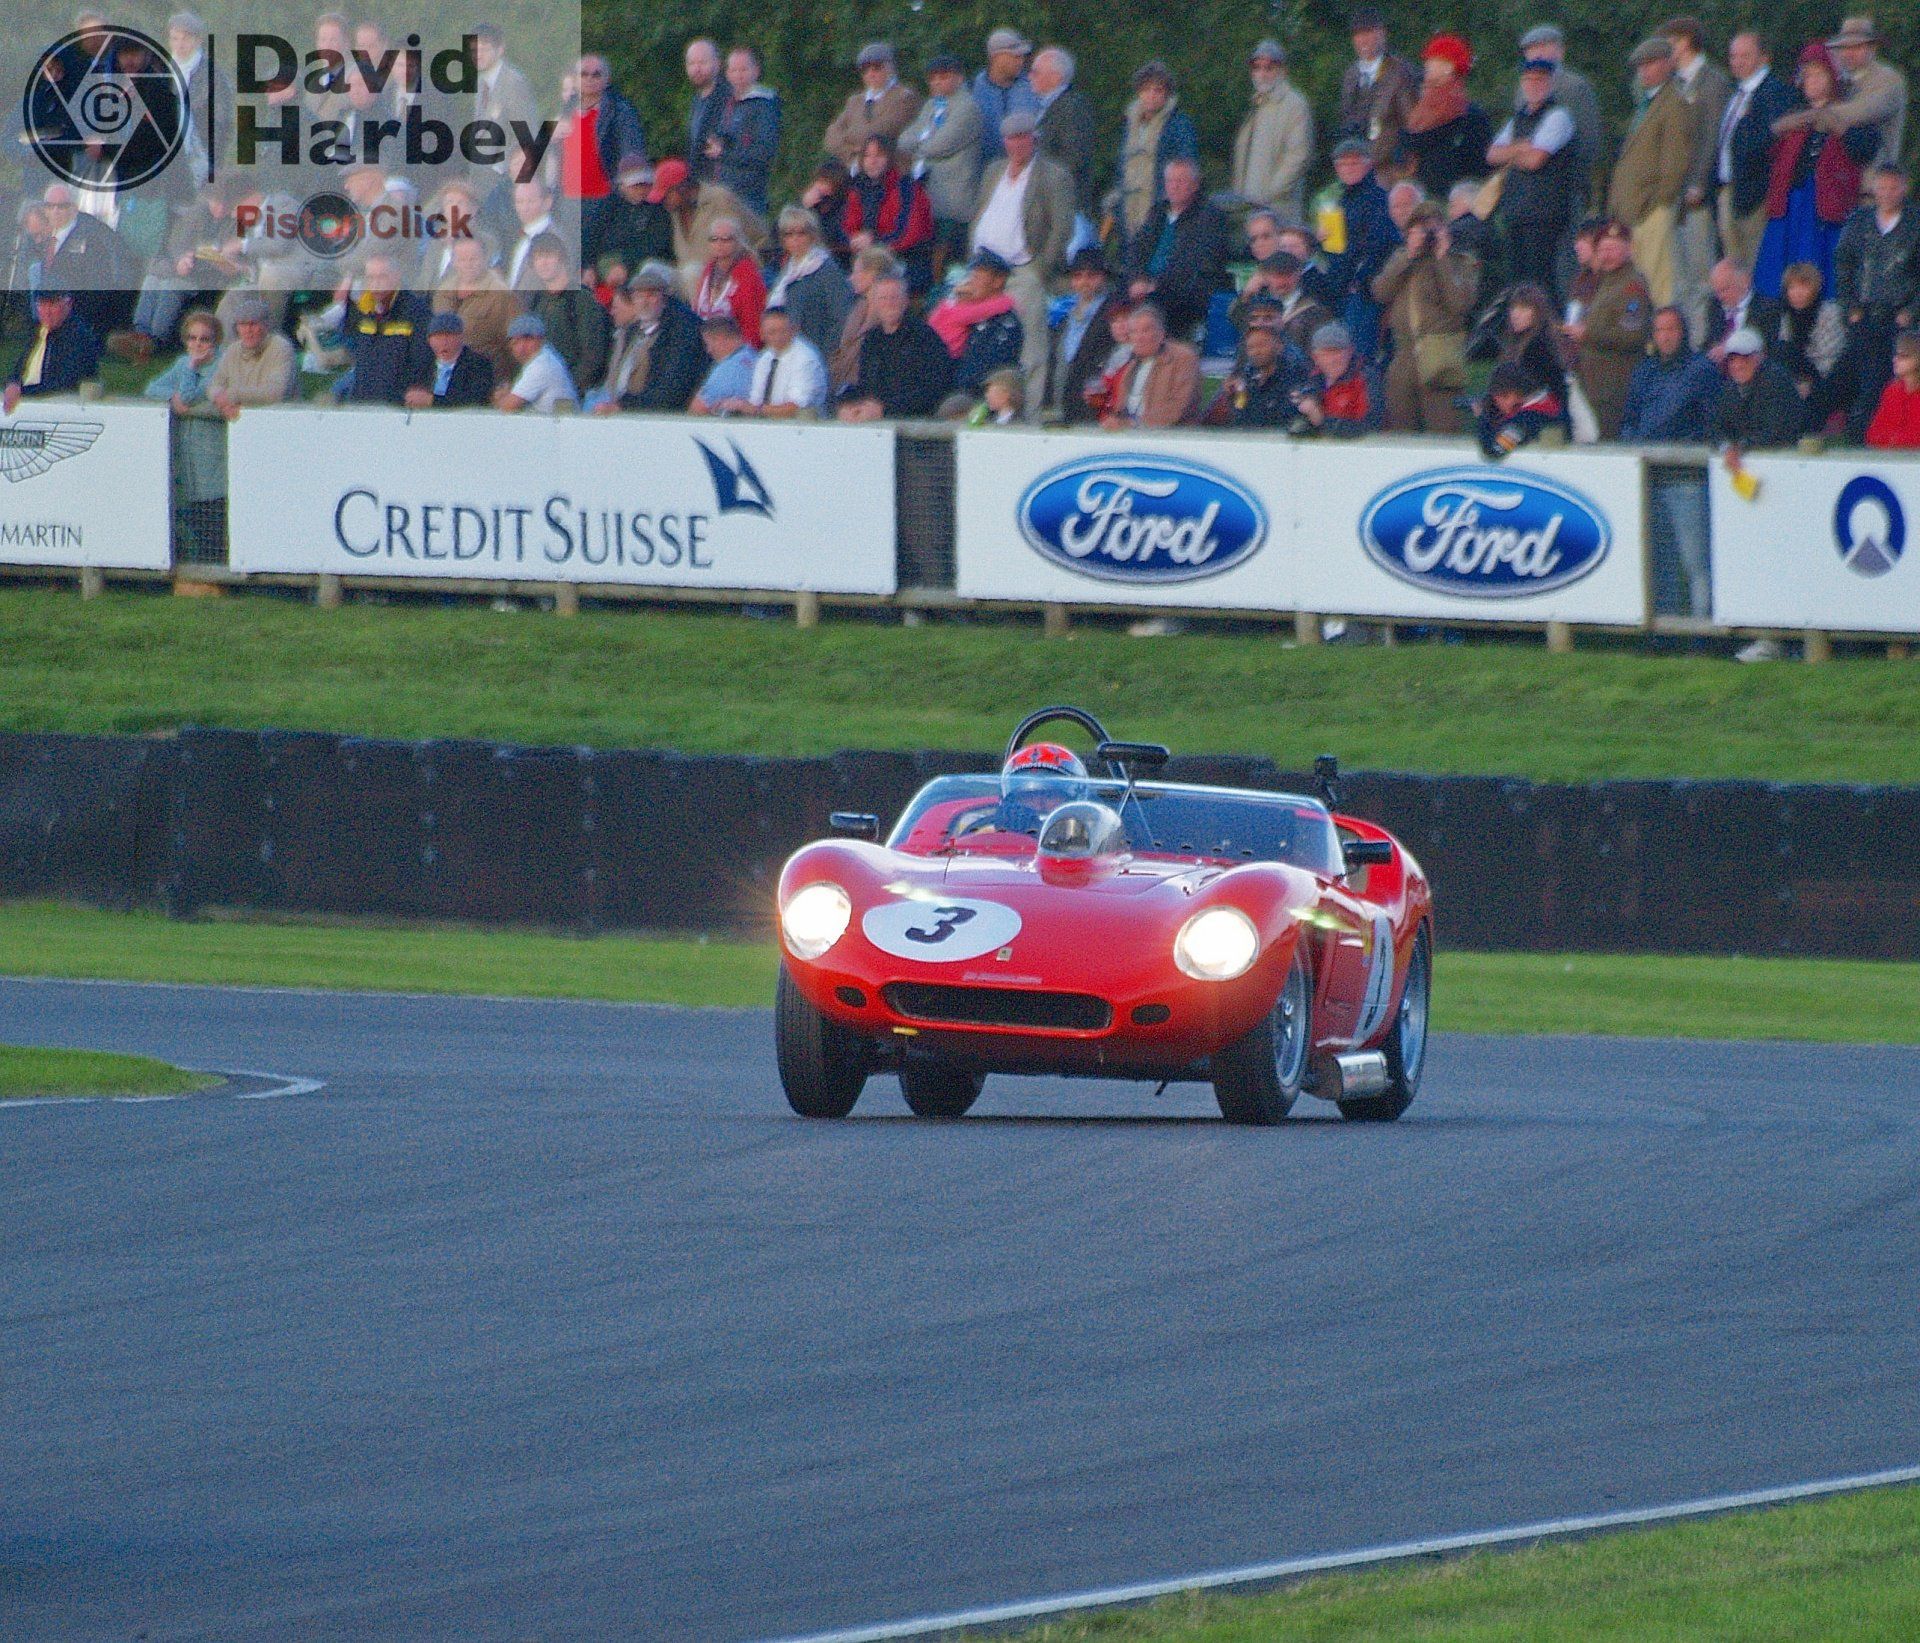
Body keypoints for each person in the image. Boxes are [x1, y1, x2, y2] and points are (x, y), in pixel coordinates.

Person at [1756, 43, 1878, 301]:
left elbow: (1865, 149)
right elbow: (1759, 149)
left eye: (1818, 74)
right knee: (1778, 276)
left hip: (1826, 207)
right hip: (1789, 206)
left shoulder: (1850, 114)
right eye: (1807, 75)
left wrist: (1835, 124)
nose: (1811, 80)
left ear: (1832, 77)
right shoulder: (1793, 116)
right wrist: (1783, 126)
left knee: (1823, 273)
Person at [971, 113, 1074, 416]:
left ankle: (1029, 411)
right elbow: (980, 212)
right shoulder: (994, 171)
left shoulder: (1053, 176)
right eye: (1010, 138)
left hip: (1023, 269)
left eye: (1022, 137)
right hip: (983, 269)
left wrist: (1040, 268)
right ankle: (980, 406)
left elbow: (1062, 228)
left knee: (1031, 344)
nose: (1016, 144)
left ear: (1034, 139)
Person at [1833, 163, 1920, 441]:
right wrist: (1850, 308)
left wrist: (1912, 311)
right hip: (1864, 315)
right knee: (1854, 375)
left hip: (1901, 319)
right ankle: (1855, 433)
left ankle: (1872, 435)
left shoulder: (1915, 223)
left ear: (1903, 188)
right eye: (1882, 187)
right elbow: (1843, 265)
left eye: (1893, 188)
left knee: (1886, 377)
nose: (1887, 194)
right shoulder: (1858, 221)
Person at [1372, 202, 1477, 432]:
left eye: (1433, 228)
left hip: (1440, 354)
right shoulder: (1402, 258)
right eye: (1421, 229)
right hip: (1404, 353)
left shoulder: (1460, 261)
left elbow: (1460, 304)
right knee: (1402, 431)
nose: (1428, 235)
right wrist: (1409, 255)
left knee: (1443, 431)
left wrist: (1442, 259)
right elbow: (1380, 292)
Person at [1662, 18, 1733, 343]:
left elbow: (1711, 137)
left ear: (1686, 41)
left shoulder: (1713, 82)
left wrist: (1699, 183)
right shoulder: (1673, 83)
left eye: (1671, 42)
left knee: (1702, 274)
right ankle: (1682, 341)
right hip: (1673, 194)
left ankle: (1700, 341)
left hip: (1698, 195)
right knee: (1679, 277)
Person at [1609, 38, 1693, 306]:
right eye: (1640, 66)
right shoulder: (1645, 105)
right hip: (1633, 210)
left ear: (1668, 64)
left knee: (1658, 283)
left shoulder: (1673, 103)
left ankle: (1660, 330)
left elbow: (1676, 161)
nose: (1644, 71)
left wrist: (1659, 202)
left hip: (1653, 209)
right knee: (1636, 284)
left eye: (1651, 63)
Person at [1123, 158, 1231, 344]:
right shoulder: (1158, 212)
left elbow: (1194, 262)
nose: (1174, 187)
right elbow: (1136, 249)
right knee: (1112, 303)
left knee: (1153, 306)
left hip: (1184, 291)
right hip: (1145, 286)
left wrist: (1154, 285)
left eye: (1180, 181)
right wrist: (1137, 278)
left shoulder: (1209, 217)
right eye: (1170, 181)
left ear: (1195, 185)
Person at [559, 54, 647, 276]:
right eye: (584, 74)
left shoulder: (620, 111)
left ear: (607, 79)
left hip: (603, 200)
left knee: (592, 265)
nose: (589, 79)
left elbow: (632, 154)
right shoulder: (567, 109)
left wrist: (622, 189)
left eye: (596, 74)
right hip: (569, 199)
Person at [1566, 219, 1653, 437]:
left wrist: (1587, 334)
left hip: (1615, 388)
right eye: (1603, 249)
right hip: (1594, 386)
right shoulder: (1606, 282)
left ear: (1628, 249)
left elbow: (1632, 334)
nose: (1607, 255)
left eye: (1613, 248)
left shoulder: (1632, 287)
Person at [1717, 33, 1795, 277]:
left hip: (1756, 194)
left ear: (1763, 58)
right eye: (1733, 56)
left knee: (1756, 264)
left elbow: (1768, 142)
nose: (1737, 62)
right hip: (1728, 189)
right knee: (1733, 267)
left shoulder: (1774, 93)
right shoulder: (1736, 93)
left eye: (1745, 56)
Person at [898, 55, 983, 274]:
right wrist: (922, 143)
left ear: (959, 77)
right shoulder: (931, 105)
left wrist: (918, 146)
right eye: (933, 78)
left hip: (954, 200)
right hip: (928, 196)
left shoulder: (967, 107)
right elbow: (904, 139)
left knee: (949, 264)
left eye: (943, 77)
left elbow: (941, 145)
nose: (936, 82)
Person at [837, 272, 953, 421]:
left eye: (894, 297)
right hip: (875, 422)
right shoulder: (871, 339)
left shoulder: (925, 337)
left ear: (905, 301)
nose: (889, 303)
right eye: (883, 298)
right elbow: (864, 386)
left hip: (914, 422)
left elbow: (934, 391)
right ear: (874, 303)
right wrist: (848, 405)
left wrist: (884, 410)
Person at [1323, 138, 1400, 363]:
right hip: (1345, 288)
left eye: (1354, 163)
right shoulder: (1341, 201)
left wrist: (1361, 279)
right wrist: (1323, 243)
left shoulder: (1377, 199)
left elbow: (1381, 243)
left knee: (1358, 355)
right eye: (1343, 164)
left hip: (1364, 290)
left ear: (1368, 164)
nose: (1348, 168)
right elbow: (1337, 251)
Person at [596, 263, 705, 414]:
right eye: (639, 296)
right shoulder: (630, 332)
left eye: (652, 295)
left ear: (664, 300)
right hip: (618, 408)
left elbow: (670, 389)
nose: (645, 302)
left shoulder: (680, 333)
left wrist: (624, 406)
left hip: (650, 415)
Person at [1112, 62, 1198, 250]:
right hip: (1128, 213)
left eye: (1158, 90)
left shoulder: (1178, 125)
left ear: (1167, 94)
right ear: (1139, 92)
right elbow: (1121, 169)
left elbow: (1187, 167)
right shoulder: (1129, 125)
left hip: (1161, 210)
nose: (1151, 95)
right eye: (1146, 89)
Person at [929, 250, 1024, 411]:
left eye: (978, 277)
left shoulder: (1005, 322)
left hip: (980, 402)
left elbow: (987, 369)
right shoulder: (971, 311)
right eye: (972, 276)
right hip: (952, 392)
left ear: (998, 281)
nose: (971, 282)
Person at [1513, 25, 1603, 196]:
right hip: (1526, 182)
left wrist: (1574, 178)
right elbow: (1517, 131)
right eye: (1531, 49)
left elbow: (1588, 138)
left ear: (1560, 51)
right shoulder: (1522, 89)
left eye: (1543, 47)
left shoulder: (1575, 86)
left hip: (1563, 183)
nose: (1537, 54)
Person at [1232, 41, 1314, 226]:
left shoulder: (1295, 104)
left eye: (1269, 68)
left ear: (1282, 71)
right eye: (1257, 68)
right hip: (1249, 210)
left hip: (1279, 211)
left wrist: (1267, 194)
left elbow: (1298, 156)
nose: (1262, 74)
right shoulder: (1257, 104)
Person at [1399, 35, 1491, 200]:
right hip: (1424, 198)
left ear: (1449, 67)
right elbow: (1406, 144)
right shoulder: (1421, 110)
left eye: (1433, 61)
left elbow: (1480, 165)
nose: (1426, 66)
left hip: (1458, 199)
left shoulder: (1469, 115)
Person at [650, 157, 767, 285]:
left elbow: (757, 237)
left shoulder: (719, 199)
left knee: (691, 272)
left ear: (682, 188)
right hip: (689, 277)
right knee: (651, 270)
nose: (663, 201)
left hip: (725, 278)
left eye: (666, 195)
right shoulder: (675, 211)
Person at [844, 136, 936, 293]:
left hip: (906, 260)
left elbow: (910, 234)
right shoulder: (858, 187)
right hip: (868, 260)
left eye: (879, 155)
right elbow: (849, 224)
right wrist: (854, 239)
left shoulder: (906, 188)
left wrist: (874, 241)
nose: (872, 161)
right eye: (867, 156)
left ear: (890, 158)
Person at [338, 255, 433, 406]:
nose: (376, 284)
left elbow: (421, 363)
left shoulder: (417, 312)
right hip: (362, 403)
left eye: (382, 277)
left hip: (398, 406)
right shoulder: (362, 310)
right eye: (371, 278)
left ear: (397, 277)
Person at [529, 234, 611, 394]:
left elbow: (592, 355)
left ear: (562, 259)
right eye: (538, 257)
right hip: (543, 391)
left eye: (549, 256)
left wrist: (568, 387)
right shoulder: (537, 301)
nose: (543, 263)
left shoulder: (582, 299)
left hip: (574, 393)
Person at [767, 208, 855, 358]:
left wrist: (824, 354)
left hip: (815, 356)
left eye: (801, 233)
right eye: (789, 234)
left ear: (812, 235)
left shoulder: (825, 268)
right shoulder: (787, 270)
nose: (795, 239)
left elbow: (843, 317)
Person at [1340, 6, 1418, 172]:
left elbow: (1411, 123)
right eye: (1357, 34)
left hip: (1390, 167)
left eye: (1368, 32)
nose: (1362, 40)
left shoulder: (1400, 72)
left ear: (1382, 33)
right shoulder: (1351, 74)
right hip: (1358, 166)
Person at [433, 233, 518, 384]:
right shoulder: (443, 291)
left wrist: (506, 384)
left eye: (473, 259)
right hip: (446, 378)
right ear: (453, 261)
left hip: (486, 379)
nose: (468, 264)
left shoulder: (500, 294)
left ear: (485, 259)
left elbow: (513, 344)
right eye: (462, 259)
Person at [1823, 16, 1907, 168]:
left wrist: (1815, 115)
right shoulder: (1840, 79)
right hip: (1839, 175)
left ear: (1872, 48)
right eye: (1844, 47)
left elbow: (1860, 112)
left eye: (1857, 47)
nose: (1848, 53)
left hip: (1875, 175)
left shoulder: (1889, 79)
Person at [1204, 306, 1308, 427]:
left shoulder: (1292, 377)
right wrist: (1231, 397)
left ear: (1279, 347)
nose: (1256, 352)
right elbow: (1239, 415)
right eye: (1251, 347)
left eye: (1262, 345)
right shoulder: (1248, 377)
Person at [1767, 261, 1847, 420]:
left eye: (1803, 286)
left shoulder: (1829, 313)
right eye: (1792, 287)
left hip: (1826, 376)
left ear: (1815, 288)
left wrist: (1808, 382)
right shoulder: (1787, 315)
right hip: (1796, 376)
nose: (1797, 293)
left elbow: (1830, 359)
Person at [1098, 303, 1200, 428]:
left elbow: (1179, 407)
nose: (1139, 338)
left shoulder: (1183, 358)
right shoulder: (1132, 365)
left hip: (1171, 435)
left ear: (1161, 334)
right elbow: (1119, 410)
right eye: (1134, 332)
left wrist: (1133, 424)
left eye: (1145, 331)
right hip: (1129, 434)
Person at [824, 43, 923, 169]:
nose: (871, 73)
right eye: (865, 69)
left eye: (877, 67)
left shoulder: (904, 97)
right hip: (855, 167)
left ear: (890, 68)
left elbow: (881, 132)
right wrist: (851, 152)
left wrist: (848, 140)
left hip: (891, 169)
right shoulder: (854, 101)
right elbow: (831, 134)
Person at [2, 291, 102, 411]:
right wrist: (13, 384)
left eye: (52, 305)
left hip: (61, 404)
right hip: (28, 399)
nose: (47, 311)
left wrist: (21, 391)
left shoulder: (78, 337)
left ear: (68, 304)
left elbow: (64, 382)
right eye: (42, 305)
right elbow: (19, 370)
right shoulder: (40, 332)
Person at [1031, 48, 1098, 223]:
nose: (1030, 77)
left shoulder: (1073, 108)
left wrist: (1042, 182)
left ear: (1056, 77)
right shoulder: (1044, 107)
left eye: (1036, 72)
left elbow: (1074, 159)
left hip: (1064, 206)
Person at [1049, 248, 1116, 421]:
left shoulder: (1113, 313)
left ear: (1103, 277)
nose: (1084, 282)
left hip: (1096, 399)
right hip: (1066, 396)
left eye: (1091, 276)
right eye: (1078, 276)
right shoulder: (1066, 316)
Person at [711, 47, 781, 213]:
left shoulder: (764, 105)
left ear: (756, 71)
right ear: (727, 73)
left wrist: (723, 154)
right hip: (724, 190)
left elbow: (763, 153)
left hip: (749, 194)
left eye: (743, 70)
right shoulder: (728, 103)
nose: (738, 75)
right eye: (734, 70)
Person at [1709, 326, 1803, 448]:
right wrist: (1726, 446)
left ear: (1759, 358)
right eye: (1732, 360)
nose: (1737, 365)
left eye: (1745, 359)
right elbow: (1716, 427)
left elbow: (1776, 431)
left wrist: (1741, 447)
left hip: (1782, 454)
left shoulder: (1777, 383)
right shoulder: (1729, 389)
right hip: (1742, 455)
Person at [207, 294, 296, 415]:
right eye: (242, 324)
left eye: (253, 324)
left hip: (277, 416)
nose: (248, 330)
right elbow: (214, 385)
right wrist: (220, 399)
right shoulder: (232, 350)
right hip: (236, 415)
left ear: (266, 326)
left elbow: (276, 392)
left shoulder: (281, 347)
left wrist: (233, 396)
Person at [1292, 320, 1384, 436]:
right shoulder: (1309, 379)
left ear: (1350, 352)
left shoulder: (1366, 378)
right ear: (1315, 357)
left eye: (1338, 352)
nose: (1333, 359)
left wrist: (1322, 421)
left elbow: (1372, 425)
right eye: (1326, 354)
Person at [733, 305, 826, 417]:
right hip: (768, 422)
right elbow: (755, 400)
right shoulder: (765, 358)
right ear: (762, 334)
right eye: (772, 332)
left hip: (799, 424)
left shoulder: (805, 359)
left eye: (783, 331)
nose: (778, 337)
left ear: (793, 330)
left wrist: (754, 409)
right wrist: (738, 406)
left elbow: (795, 408)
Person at [691, 215, 768, 346]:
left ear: (738, 242)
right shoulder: (709, 269)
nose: (719, 244)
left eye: (726, 239)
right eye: (714, 239)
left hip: (736, 348)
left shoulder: (748, 274)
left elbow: (753, 326)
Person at [830, 245, 896, 391]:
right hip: (842, 388)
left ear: (872, 274)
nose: (851, 278)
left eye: (856, 272)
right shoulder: (857, 309)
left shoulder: (888, 314)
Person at [1474, 360, 1570, 456]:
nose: (1496, 402)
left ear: (1514, 393)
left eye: (1500, 396)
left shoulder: (1526, 419)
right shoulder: (1545, 402)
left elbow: (1495, 451)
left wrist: (1483, 418)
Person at [973, 28, 1039, 166]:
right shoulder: (973, 89)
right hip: (986, 171)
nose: (1021, 61)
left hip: (1025, 168)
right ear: (996, 57)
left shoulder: (1033, 86)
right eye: (1015, 56)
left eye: (1022, 57)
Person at [404, 311, 495, 409]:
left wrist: (432, 401)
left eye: (449, 337)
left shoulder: (479, 365)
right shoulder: (421, 364)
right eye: (438, 337)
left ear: (461, 337)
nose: (444, 342)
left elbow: (475, 398)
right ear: (429, 340)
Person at [493, 314, 579, 413]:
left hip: (557, 422)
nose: (521, 348)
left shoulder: (542, 364)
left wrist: (500, 398)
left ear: (542, 340)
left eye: (528, 340)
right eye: (516, 342)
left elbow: (507, 407)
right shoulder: (545, 358)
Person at [1698, 259, 1779, 362]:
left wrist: (1729, 349)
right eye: (1717, 292)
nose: (1720, 297)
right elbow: (1708, 342)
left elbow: (1766, 347)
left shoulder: (1768, 308)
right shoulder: (1714, 306)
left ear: (1745, 281)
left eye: (1725, 289)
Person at [688, 313, 758, 415]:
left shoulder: (729, 369)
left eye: (708, 344)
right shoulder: (754, 356)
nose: (709, 350)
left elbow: (697, 409)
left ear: (719, 338)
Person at [1864, 330, 1920, 446]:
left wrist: (1893, 439)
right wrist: (1894, 439)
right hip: (1889, 454)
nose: (1895, 359)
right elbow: (1873, 433)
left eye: (1903, 356)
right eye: (1896, 355)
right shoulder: (1892, 391)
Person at [685, 38, 727, 177]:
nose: (696, 69)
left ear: (718, 63)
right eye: (691, 63)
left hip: (721, 182)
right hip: (700, 181)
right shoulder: (696, 100)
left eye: (702, 62)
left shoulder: (729, 99)